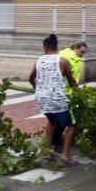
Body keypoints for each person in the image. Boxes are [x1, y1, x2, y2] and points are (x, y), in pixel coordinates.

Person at [29, 34, 79, 166]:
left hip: (42, 99)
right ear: (56, 47)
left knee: (51, 120)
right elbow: (72, 81)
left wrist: (37, 88)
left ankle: (48, 151)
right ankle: (66, 156)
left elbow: (31, 79)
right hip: (58, 99)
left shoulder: (39, 61)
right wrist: (79, 94)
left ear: (45, 47)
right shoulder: (62, 61)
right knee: (73, 124)